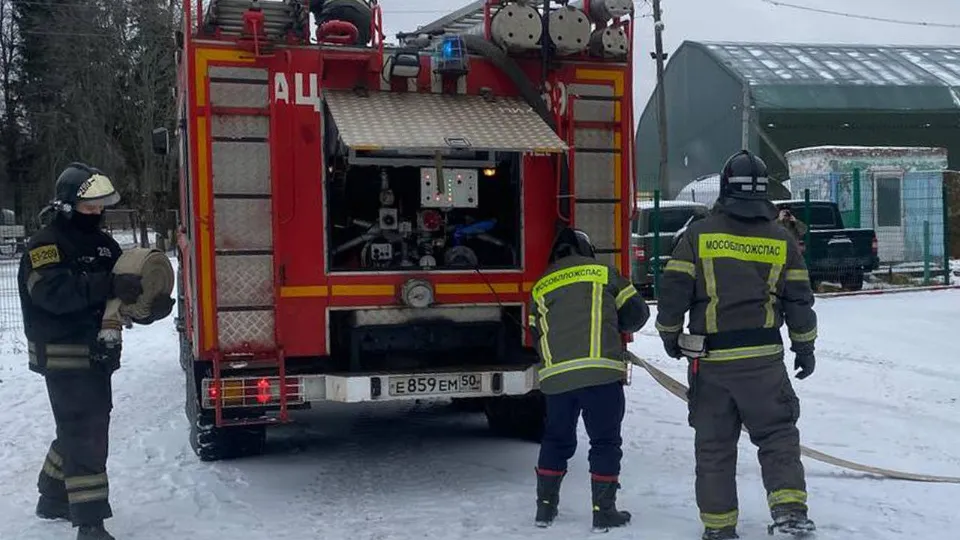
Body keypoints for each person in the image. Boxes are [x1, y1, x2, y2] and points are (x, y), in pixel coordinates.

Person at [654, 150, 818, 540]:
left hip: (711, 364)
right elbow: (799, 300)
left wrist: (670, 335)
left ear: (726, 189)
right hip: (764, 361)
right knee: (778, 437)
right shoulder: (782, 239)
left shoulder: (698, 235)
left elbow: (674, 290)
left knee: (714, 447)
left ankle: (719, 528)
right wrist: (805, 347)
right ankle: (791, 515)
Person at [17, 162, 171, 540]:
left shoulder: (105, 245)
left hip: (98, 353)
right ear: (67, 204)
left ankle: (52, 495)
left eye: (101, 206)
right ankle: (90, 522)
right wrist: (107, 284)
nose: (97, 212)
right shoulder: (46, 245)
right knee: (86, 432)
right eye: (89, 206)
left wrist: (149, 307)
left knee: (78, 427)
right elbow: (52, 294)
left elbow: (121, 295)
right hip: (63, 354)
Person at [526, 227, 650, 531]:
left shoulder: (541, 286)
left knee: (555, 440)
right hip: (600, 375)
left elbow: (534, 335)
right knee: (605, 442)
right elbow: (638, 314)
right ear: (586, 249)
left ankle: (545, 510)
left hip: (556, 380)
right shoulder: (604, 273)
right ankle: (603, 511)